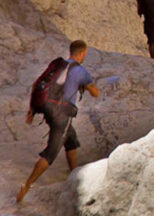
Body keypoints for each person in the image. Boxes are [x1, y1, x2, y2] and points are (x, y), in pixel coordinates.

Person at [17, 40, 99, 203]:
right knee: (51, 153)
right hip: (61, 114)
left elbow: (38, 84)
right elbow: (96, 92)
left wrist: (32, 110)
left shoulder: (59, 65)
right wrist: (88, 87)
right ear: (82, 53)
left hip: (48, 110)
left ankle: (74, 174)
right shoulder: (80, 71)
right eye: (85, 53)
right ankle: (26, 186)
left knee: (71, 140)